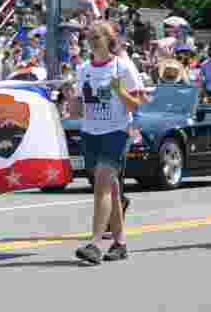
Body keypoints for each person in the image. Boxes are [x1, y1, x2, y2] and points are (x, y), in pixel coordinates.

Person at [69, 21, 145, 265]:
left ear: (109, 39)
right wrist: (73, 103)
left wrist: (119, 91)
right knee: (111, 189)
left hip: (116, 132)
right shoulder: (83, 70)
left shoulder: (122, 66)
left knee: (102, 183)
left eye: (97, 36)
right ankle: (120, 243)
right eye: (89, 36)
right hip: (91, 133)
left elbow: (136, 105)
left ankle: (95, 243)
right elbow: (79, 108)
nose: (92, 40)